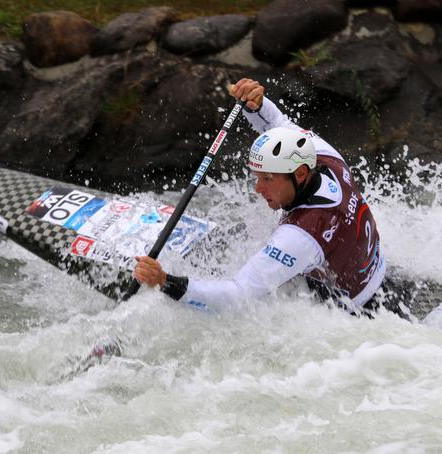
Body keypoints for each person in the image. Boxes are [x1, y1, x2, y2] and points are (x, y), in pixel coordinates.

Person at [133, 78, 386, 313]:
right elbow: (279, 125)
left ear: (298, 174)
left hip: (357, 313)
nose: (258, 189)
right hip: (378, 278)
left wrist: (165, 281)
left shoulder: (301, 236)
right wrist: (257, 106)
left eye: (267, 179)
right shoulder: (324, 156)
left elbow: (237, 297)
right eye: (257, 177)